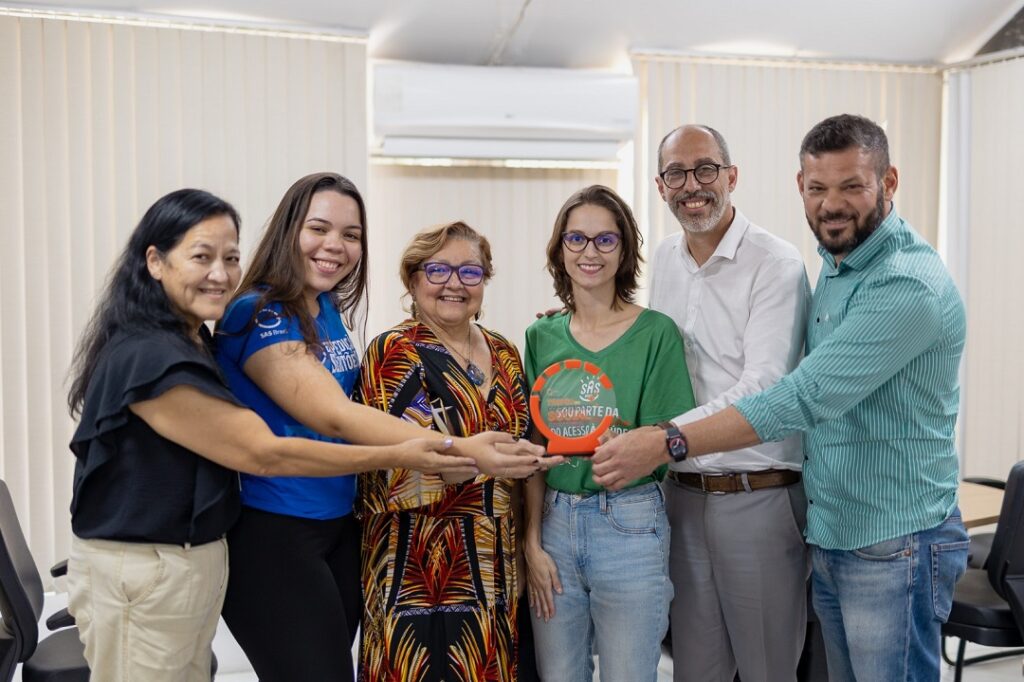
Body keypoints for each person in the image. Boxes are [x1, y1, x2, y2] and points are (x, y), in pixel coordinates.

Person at [593, 114, 969, 682]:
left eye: (852, 186)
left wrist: (668, 439)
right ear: (800, 187)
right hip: (833, 524)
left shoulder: (901, 283)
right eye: (818, 188)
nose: (832, 204)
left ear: (889, 183)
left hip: (892, 539)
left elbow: (797, 395)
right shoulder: (840, 264)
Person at [65, 188, 478, 682]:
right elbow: (286, 442)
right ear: (155, 261)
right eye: (201, 257)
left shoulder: (229, 327)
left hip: (249, 541)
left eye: (229, 258)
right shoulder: (173, 346)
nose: (219, 273)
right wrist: (429, 450)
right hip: (221, 543)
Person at [213, 176, 544, 681]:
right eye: (319, 228)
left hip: (338, 526)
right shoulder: (259, 312)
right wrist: (461, 450)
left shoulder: (324, 309)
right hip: (279, 528)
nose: (336, 246)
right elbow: (336, 415)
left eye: (351, 234)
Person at [356, 221, 554, 682]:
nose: (454, 284)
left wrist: (529, 542)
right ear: (412, 279)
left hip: (494, 560)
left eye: (470, 272)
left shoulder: (505, 352)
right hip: (413, 564)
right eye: (438, 269)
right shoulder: (393, 352)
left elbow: (526, 454)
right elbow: (401, 463)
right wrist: (485, 460)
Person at [649, 124, 811, 682]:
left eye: (705, 169)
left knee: (767, 670)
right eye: (676, 173)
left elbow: (765, 386)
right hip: (682, 499)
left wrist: (662, 436)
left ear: (731, 177)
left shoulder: (776, 262)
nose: (692, 184)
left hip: (757, 498)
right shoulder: (664, 259)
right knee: (695, 669)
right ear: (660, 185)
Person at [523, 185, 696, 682]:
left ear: (624, 251)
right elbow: (534, 451)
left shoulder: (657, 333)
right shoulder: (540, 335)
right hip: (553, 525)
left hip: (629, 524)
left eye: (605, 240)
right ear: (560, 250)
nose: (589, 252)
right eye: (576, 239)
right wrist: (532, 545)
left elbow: (666, 442)